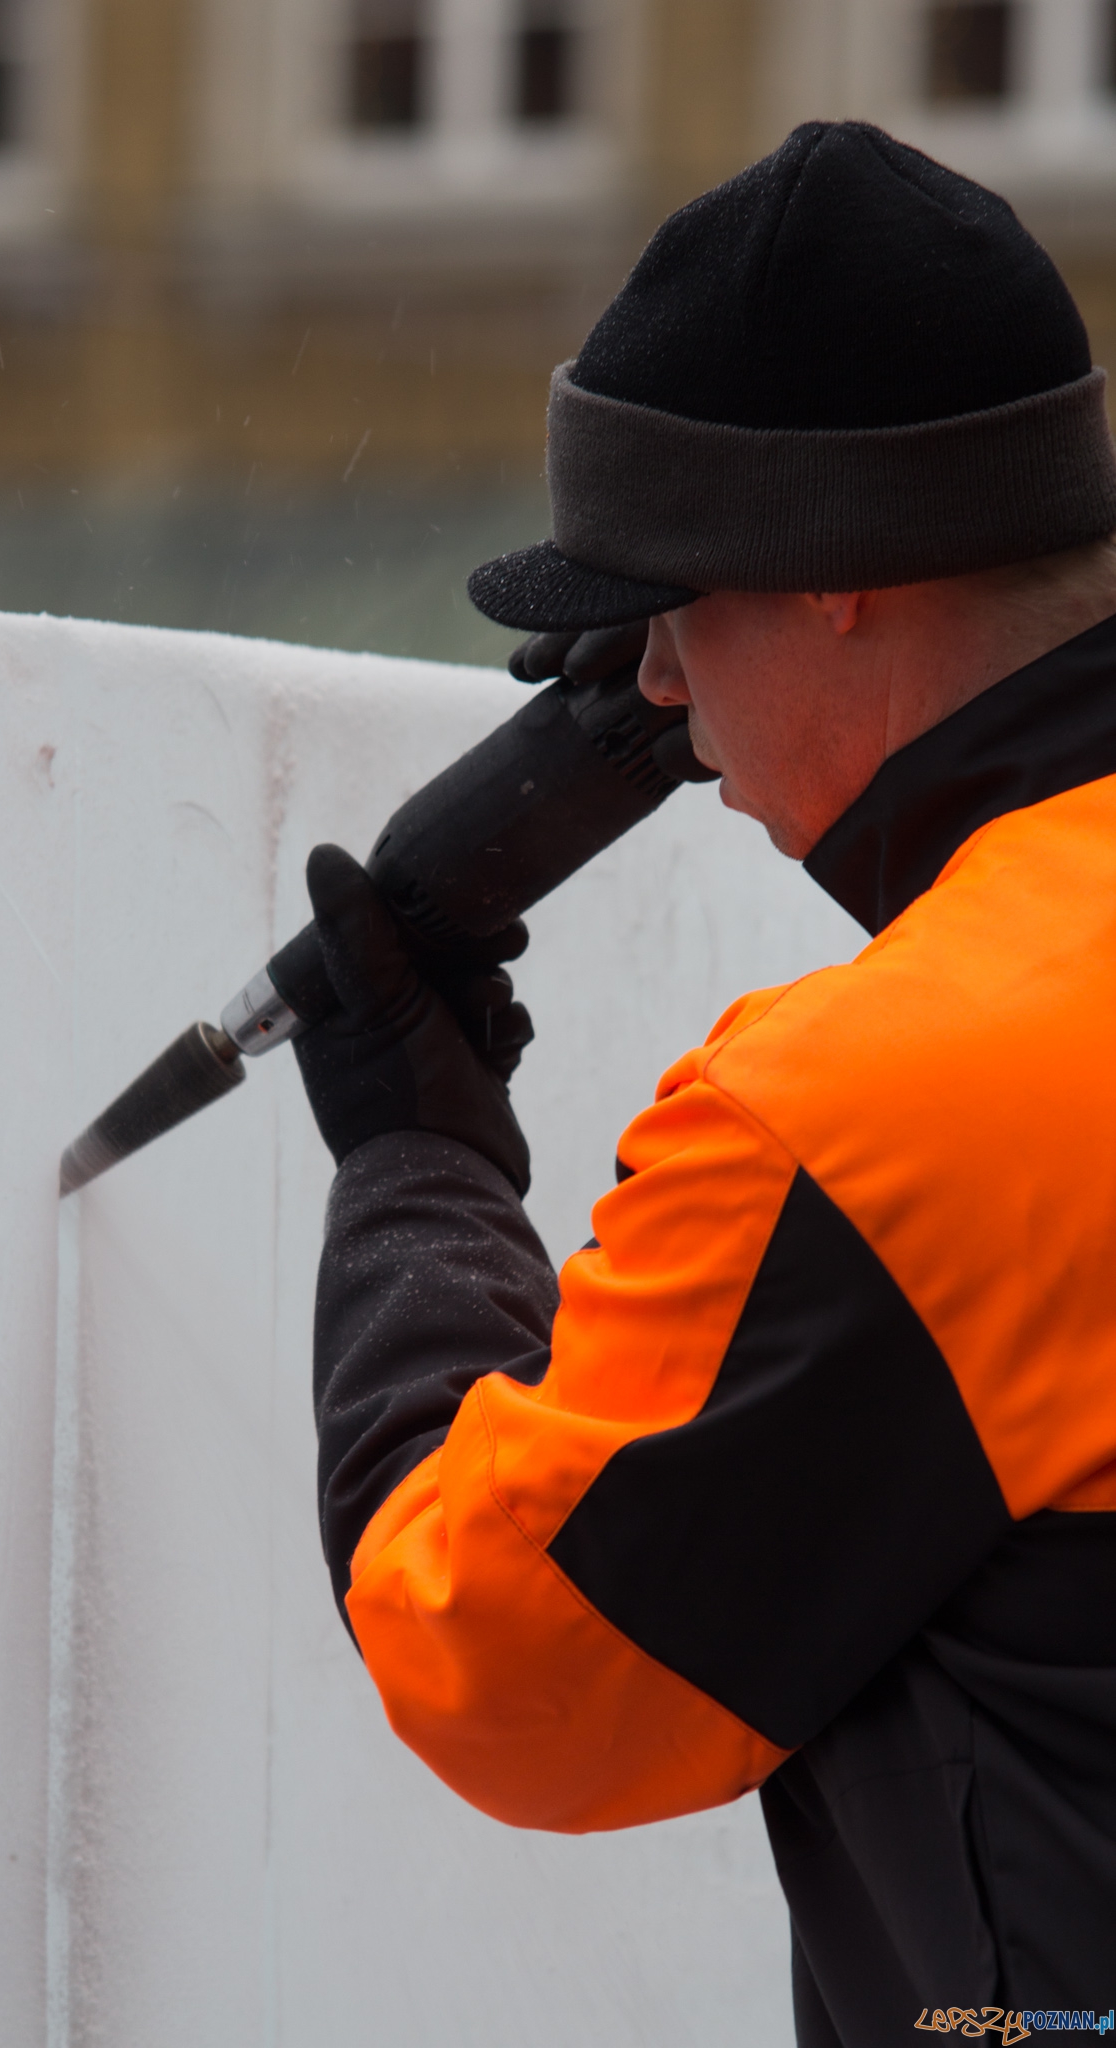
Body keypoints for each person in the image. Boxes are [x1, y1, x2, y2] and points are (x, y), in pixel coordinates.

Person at [291, 122, 1116, 2045]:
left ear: (837, 582)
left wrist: (419, 1165)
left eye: (669, 605)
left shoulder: (875, 1113)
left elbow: (504, 1663)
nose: (649, 690)